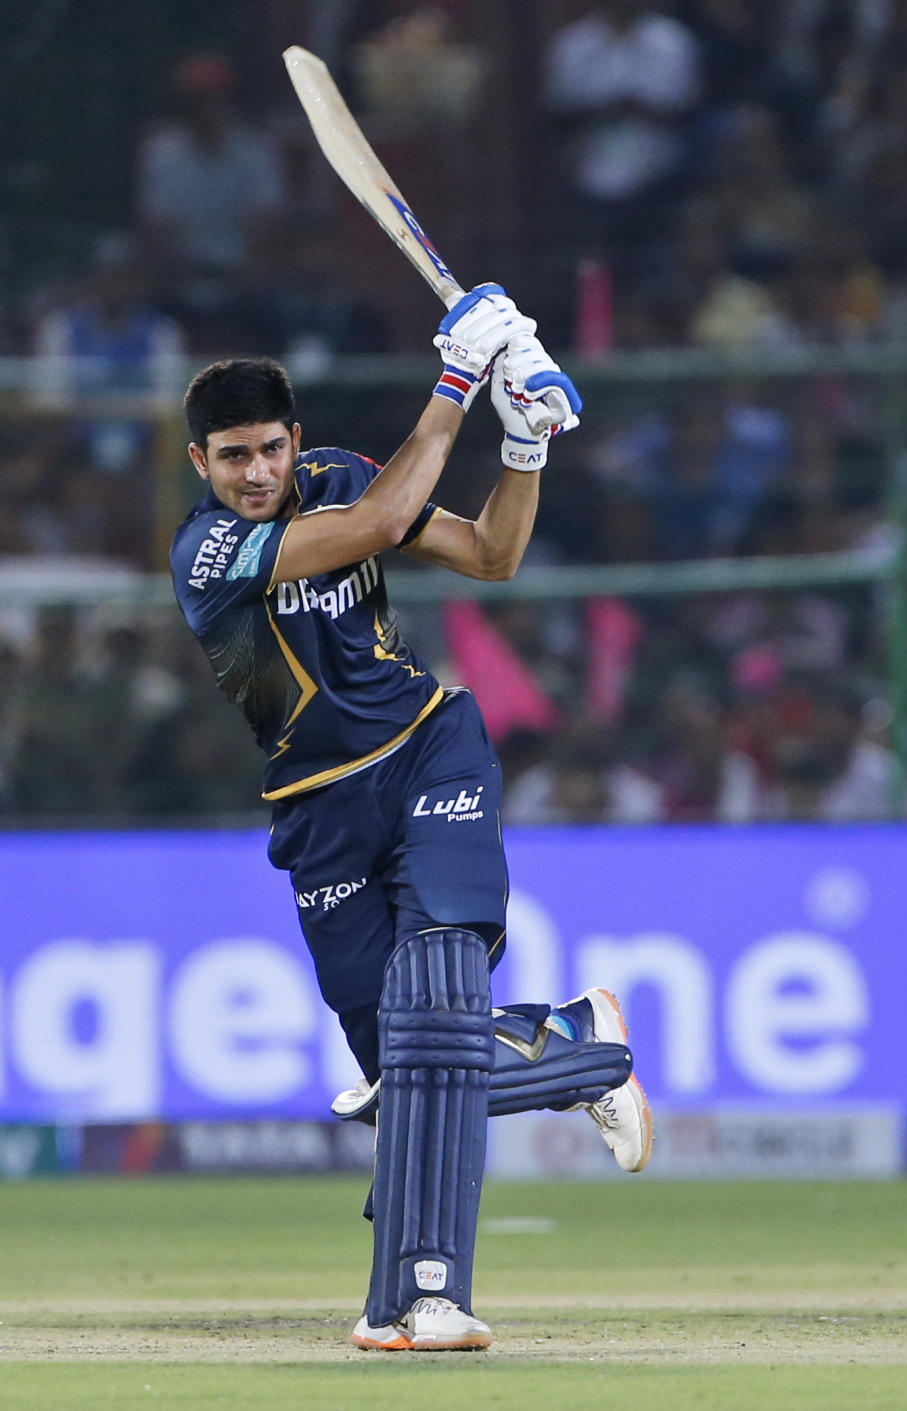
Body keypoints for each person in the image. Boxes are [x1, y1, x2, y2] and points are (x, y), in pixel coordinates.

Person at [170, 284, 652, 1352]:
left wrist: (520, 444)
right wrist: (458, 378)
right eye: (233, 456)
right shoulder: (206, 556)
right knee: (404, 1079)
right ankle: (570, 1041)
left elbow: (491, 555)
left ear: (296, 442)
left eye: (270, 450)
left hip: (431, 749)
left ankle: (425, 1301)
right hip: (317, 814)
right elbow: (382, 524)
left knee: (433, 1016)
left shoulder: (339, 477)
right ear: (200, 463)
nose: (257, 474)